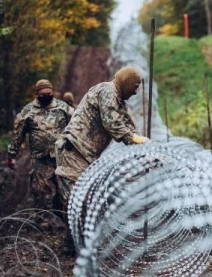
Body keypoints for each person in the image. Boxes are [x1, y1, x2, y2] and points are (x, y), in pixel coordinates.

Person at [54, 66, 150, 251]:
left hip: (86, 155)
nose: (136, 91)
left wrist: (144, 146)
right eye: (134, 86)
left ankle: (77, 242)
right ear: (126, 83)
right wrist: (133, 139)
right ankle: (77, 244)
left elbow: (129, 123)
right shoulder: (107, 91)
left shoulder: (119, 100)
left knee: (84, 198)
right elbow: (111, 122)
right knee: (77, 199)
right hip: (73, 149)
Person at [7, 79, 74, 210]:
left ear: (52, 92)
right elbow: (17, 135)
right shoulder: (27, 112)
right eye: (43, 94)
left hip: (61, 157)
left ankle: (62, 217)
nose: (46, 96)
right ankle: (44, 220)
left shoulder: (63, 108)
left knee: (64, 191)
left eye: (49, 93)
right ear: (37, 94)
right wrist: (11, 155)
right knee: (42, 192)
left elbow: (77, 126)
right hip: (40, 159)